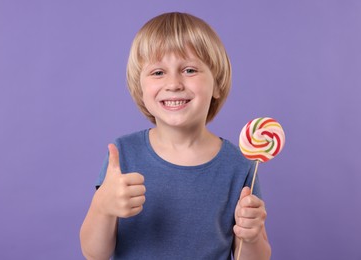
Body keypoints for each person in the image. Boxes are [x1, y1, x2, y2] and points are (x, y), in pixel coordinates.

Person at [80, 12, 271, 260]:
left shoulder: (240, 164)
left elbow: (255, 257)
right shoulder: (123, 155)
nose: (173, 83)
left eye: (189, 70)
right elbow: (94, 253)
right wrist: (102, 207)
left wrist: (252, 236)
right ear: (140, 88)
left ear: (217, 83)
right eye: (158, 72)